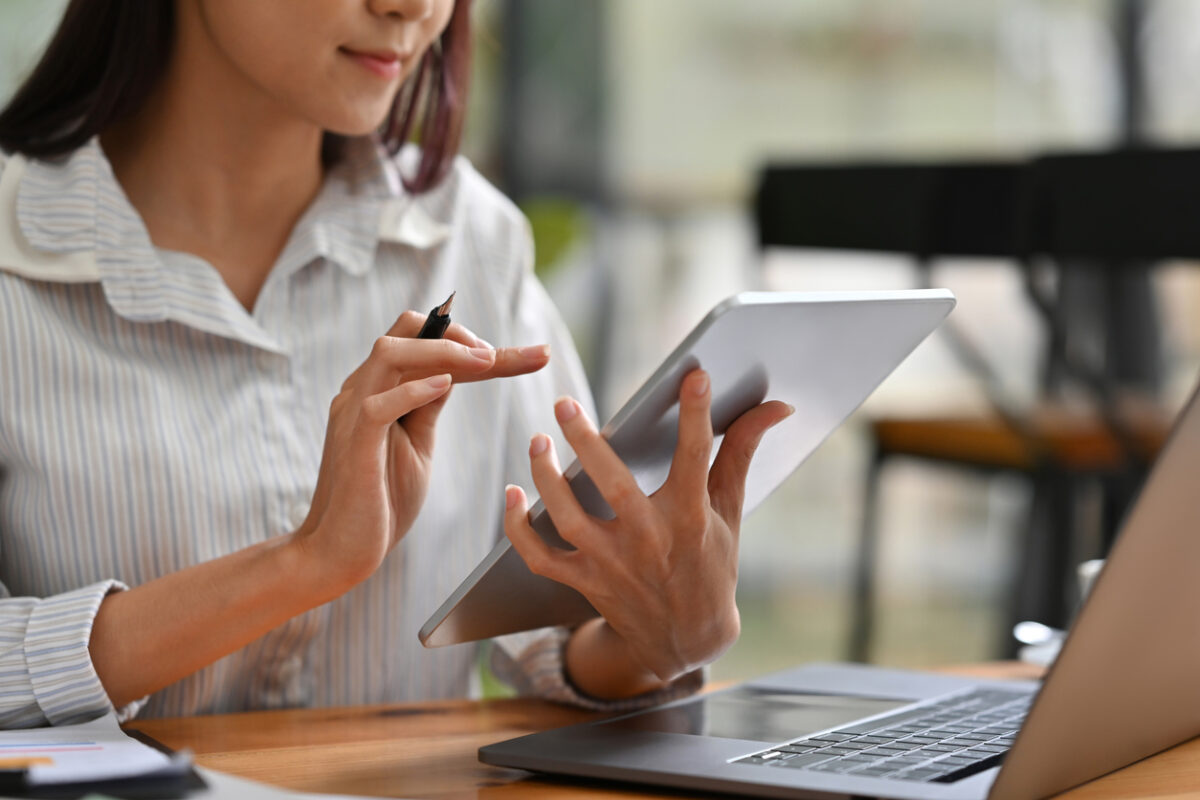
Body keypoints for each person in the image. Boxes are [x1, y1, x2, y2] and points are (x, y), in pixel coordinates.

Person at [0, 0, 791, 728]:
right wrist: (301, 565)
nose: (412, 7)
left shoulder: (471, 235)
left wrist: (657, 639)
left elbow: (552, 633)